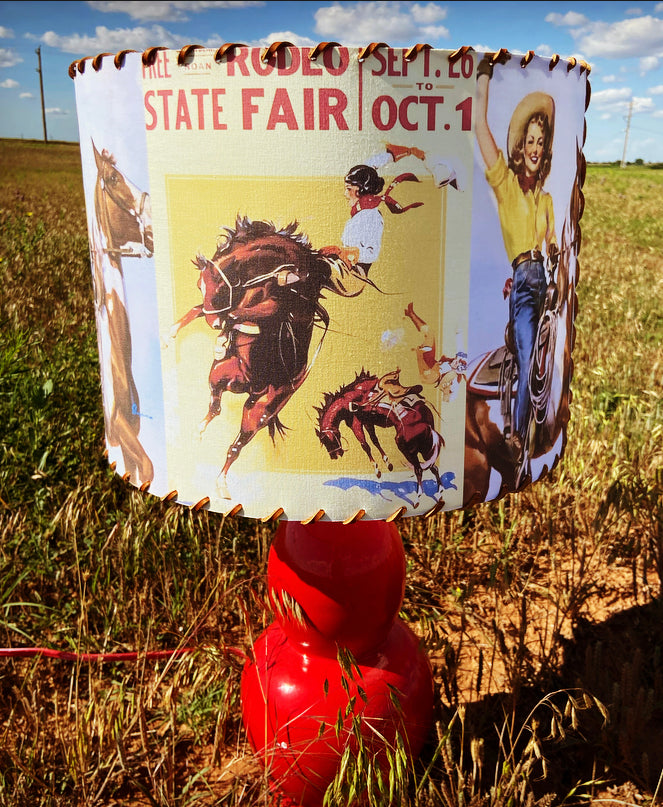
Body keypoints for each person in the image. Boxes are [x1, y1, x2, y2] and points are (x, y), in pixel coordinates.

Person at [475, 54, 559, 462]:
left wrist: (558, 255)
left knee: (550, 350)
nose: (535, 148)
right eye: (530, 141)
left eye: (541, 143)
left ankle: (544, 421)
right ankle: (517, 438)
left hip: (543, 274)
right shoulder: (506, 184)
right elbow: (479, 127)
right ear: (520, 145)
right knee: (526, 357)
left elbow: (555, 243)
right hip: (523, 279)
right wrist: (484, 77)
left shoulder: (544, 200)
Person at [323, 144, 460, 297]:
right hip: (343, 266)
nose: (345, 194)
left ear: (361, 190)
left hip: (354, 278)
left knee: (317, 267)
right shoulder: (362, 206)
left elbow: (372, 253)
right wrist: (391, 155)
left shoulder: (371, 216)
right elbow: (368, 168)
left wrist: (349, 252)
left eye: (348, 189)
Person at [404, 303, 467, 403]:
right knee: (430, 334)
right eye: (456, 361)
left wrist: (446, 392)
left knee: (422, 354)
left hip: (430, 376)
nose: (455, 362)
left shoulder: (456, 382)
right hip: (432, 364)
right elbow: (459, 333)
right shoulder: (461, 355)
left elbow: (447, 399)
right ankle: (411, 314)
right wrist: (461, 318)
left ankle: (417, 352)